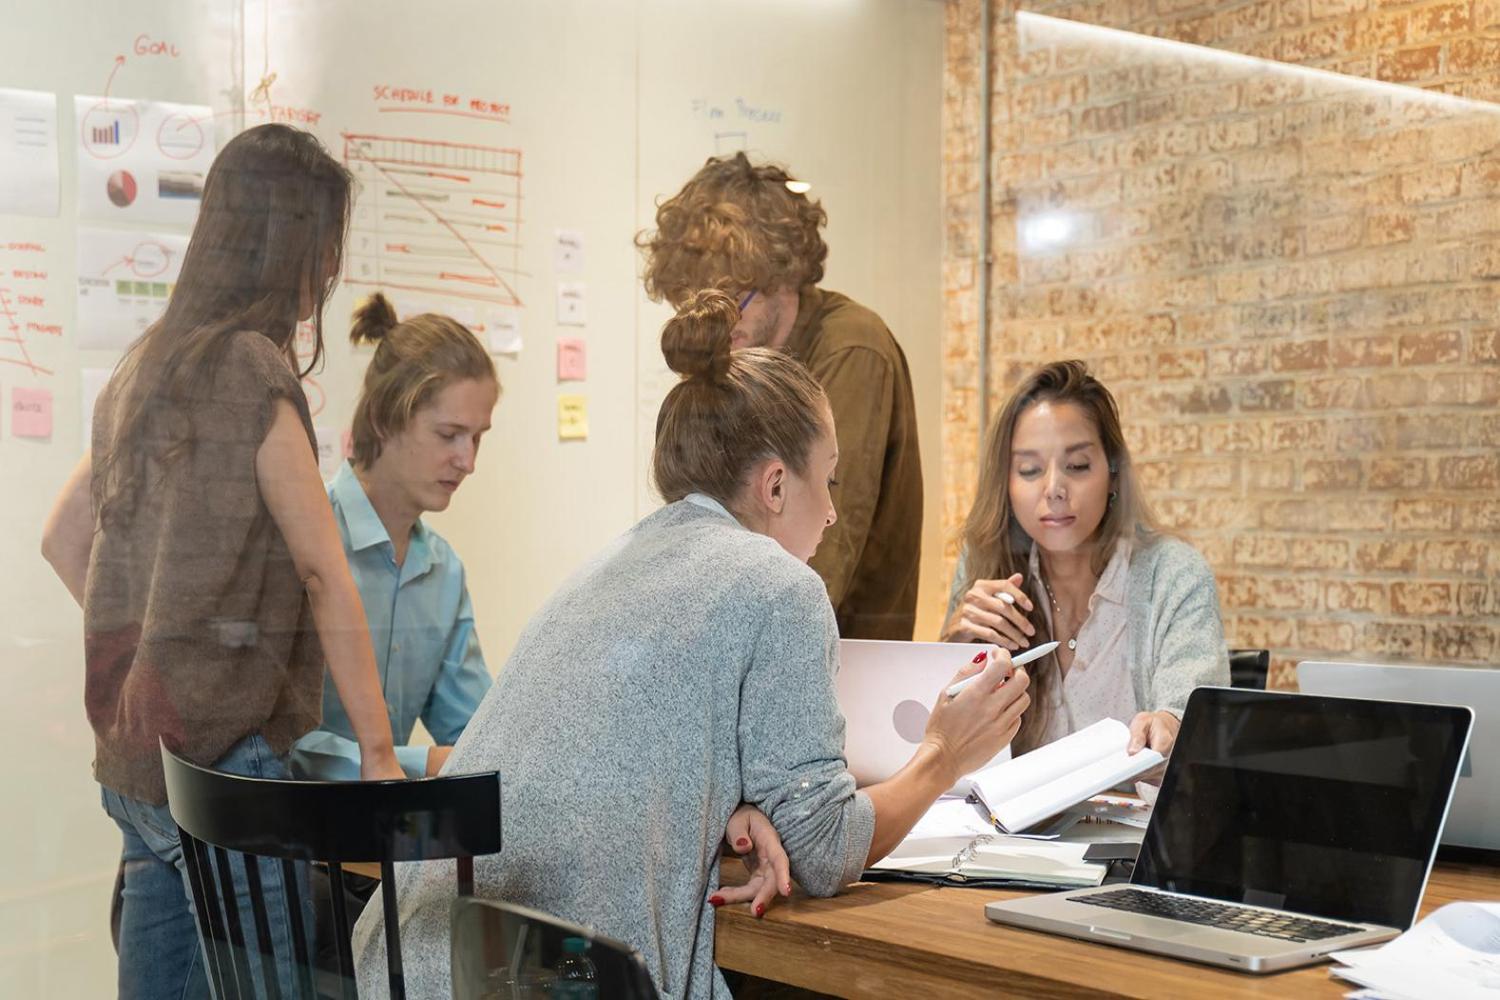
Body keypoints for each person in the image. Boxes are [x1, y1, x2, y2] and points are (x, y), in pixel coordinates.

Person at [351, 290, 1029, 999]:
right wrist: (944, 754)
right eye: (826, 481)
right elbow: (826, 850)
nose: (831, 512)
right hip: (550, 976)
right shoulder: (780, 586)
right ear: (774, 484)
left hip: (414, 959)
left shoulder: (612, 561)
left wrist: (733, 812)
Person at [40, 123, 402, 1000]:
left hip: (137, 762)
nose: (330, 270)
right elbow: (323, 571)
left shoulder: (145, 366)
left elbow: (61, 539)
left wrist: (155, 646)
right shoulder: (251, 369)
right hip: (225, 775)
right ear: (289, 242)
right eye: (324, 244)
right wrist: (381, 754)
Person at [638, 153, 923, 641]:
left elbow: (824, 549)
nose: (720, 322)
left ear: (782, 275)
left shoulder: (853, 348)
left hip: (840, 651)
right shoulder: (747, 359)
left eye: (736, 300)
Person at [941, 360, 1229, 758]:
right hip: (1016, 821)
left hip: (1139, 820)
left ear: (1112, 472)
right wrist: (954, 649)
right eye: (1029, 470)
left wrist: (1171, 726)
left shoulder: (1173, 575)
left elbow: (1196, 730)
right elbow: (942, 754)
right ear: (1005, 484)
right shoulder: (986, 568)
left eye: (1077, 466)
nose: (1054, 489)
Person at [290, 293, 497, 783]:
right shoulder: (306, 543)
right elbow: (280, 747)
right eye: (449, 435)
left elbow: (478, 732)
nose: (468, 462)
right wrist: (417, 762)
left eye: (478, 437)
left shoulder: (443, 571)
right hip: (296, 844)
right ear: (385, 421)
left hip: (384, 842)